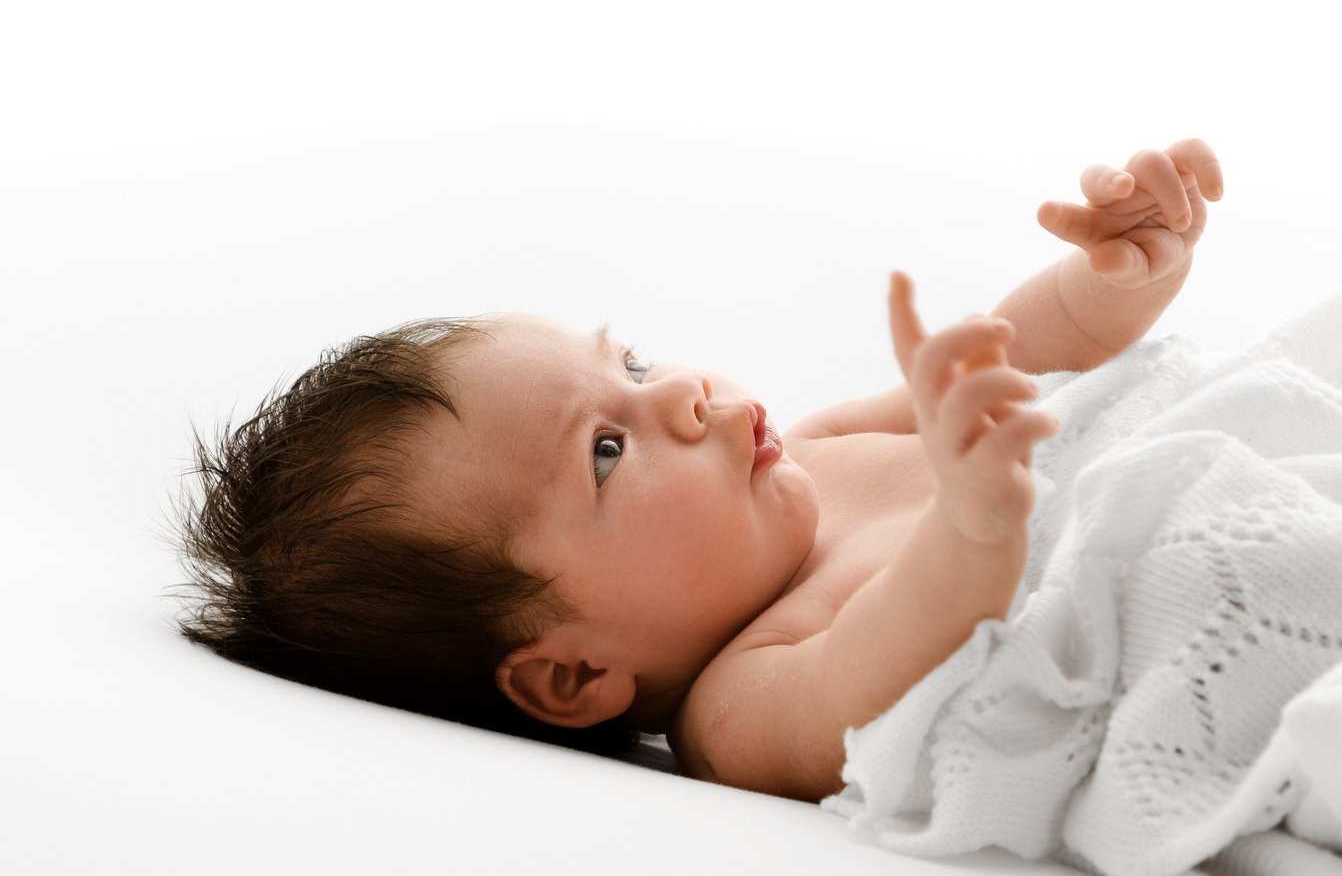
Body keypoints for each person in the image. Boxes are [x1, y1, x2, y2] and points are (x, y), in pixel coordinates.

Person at [177, 139, 1225, 801]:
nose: (682, 392)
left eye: (629, 361)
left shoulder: (819, 441)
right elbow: (884, 665)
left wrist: (1109, 281)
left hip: (1218, 454)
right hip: (1196, 592)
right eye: (607, 448)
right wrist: (974, 524)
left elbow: (1010, 357)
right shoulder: (736, 708)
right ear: (575, 674)